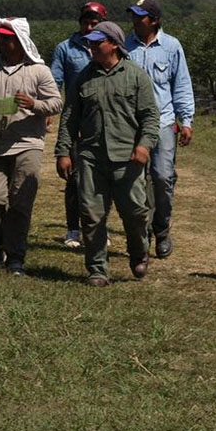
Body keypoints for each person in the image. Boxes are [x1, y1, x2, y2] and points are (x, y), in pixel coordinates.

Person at [55, 21, 160, 286]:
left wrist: (144, 145)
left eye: (97, 42)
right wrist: (63, 151)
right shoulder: (83, 78)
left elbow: (150, 116)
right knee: (92, 215)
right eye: (89, 42)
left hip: (128, 158)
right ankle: (97, 269)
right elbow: (69, 118)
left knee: (135, 213)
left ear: (113, 44)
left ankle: (139, 252)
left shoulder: (135, 76)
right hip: (91, 157)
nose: (91, 46)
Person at [0, 17, 62, 276]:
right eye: (0, 37)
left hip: (27, 143)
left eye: (8, 38)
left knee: (20, 202)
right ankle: (0, 238)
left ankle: (15, 257)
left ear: (21, 41)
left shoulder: (39, 71)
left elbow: (56, 103)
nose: (2, 42)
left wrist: (34, 105)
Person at [124, 0, 194, 259]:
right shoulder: (124, 46)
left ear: (153, 20)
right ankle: (142, 232)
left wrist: (186, 121)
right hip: (132, 123)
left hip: (163, 121)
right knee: (136, 180)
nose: (134, 20)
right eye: (133, 15)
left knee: (163, 177)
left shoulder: (171, 47)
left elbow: (181, 84)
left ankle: (162, 228)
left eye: (139, 16)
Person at [48, 1, 107, 248]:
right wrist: (49, 108)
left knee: (102, 179)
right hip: (76, 118)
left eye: (94, 23)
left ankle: (98, 226)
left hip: (103, 121)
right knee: (74, 177)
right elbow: (55, 80)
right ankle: (73, 228)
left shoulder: (110, 47)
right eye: (86, 22)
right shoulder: (65, 48)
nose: (89, 27)